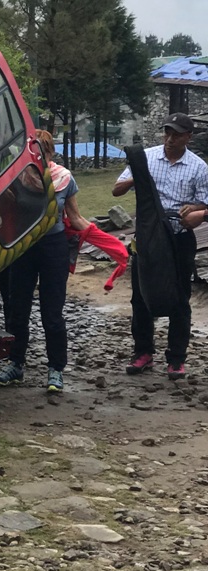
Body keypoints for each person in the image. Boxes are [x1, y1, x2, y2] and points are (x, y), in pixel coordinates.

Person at [0, 130, 90, 392]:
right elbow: (2, 211)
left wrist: (108, 243)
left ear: (51, 152)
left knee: (52, 312)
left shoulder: (63, 178)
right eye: (33, 151)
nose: (38, 156)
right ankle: (15, 364)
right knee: (17, 309)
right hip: (23, 248)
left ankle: (56, 369)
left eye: (42, 150)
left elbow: (76, 218)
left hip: (53, 248)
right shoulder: (16, 177)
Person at [112, 112, 208, 380]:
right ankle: (143, 353)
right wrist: (139, 177)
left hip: (178, 238)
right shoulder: (147, 158)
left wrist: (198, 211)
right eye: (167, 132)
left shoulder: (198, 167)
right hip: (147, 238)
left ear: (188, 137)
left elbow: (205, 203)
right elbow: (117, 190)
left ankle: (176, 359)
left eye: (176, 134)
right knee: (140, 296)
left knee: (180, 297)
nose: (170, 138)